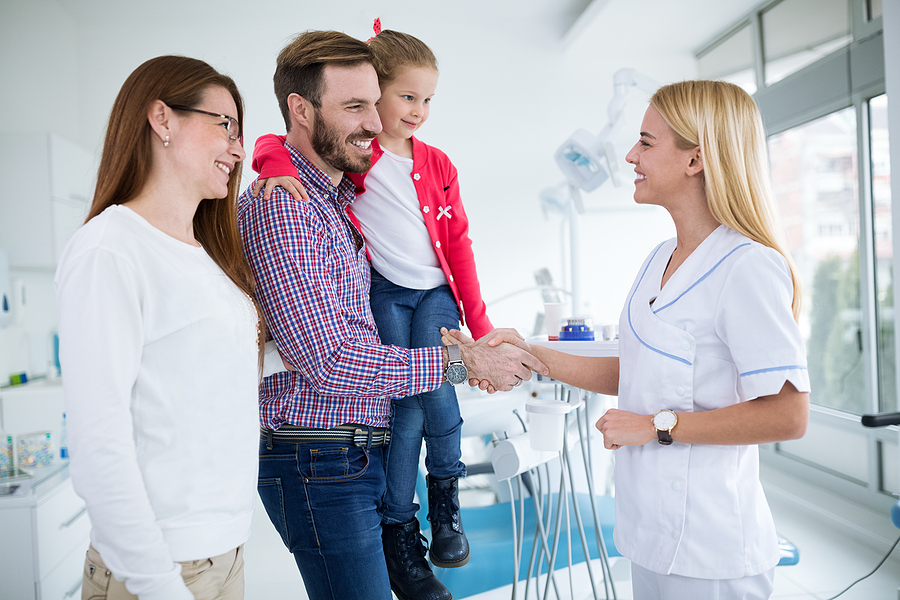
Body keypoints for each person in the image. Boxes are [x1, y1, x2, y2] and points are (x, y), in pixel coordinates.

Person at [445, 80, 810, 600]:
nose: (629, 154)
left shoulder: (748, 267)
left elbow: (787, 415)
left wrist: (655, 426)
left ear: (695, 160)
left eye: (646, 141)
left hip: (712, 545)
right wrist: (535, 354)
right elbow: (638, 368)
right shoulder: (660, 258)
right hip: (649, 531)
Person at [237, 30, 545, 600]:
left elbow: (456, 243)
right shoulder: (285, 204)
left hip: (354, 451)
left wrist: (475, 338)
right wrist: (463, 362)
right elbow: (329, 363)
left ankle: (427, 517)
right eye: (356, 107)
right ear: (300, 111)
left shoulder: (336, 199)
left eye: (375, 103)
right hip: (321, 455)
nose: (377, 122)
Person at [56, 55, 289, 600]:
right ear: (162, 119)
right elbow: (98, 448)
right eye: (224, 125)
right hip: (159, 569)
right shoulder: (110, 250)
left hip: (225, 554)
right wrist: (158, 585)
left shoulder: (206, 258)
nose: (237, 148)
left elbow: (221, 370)